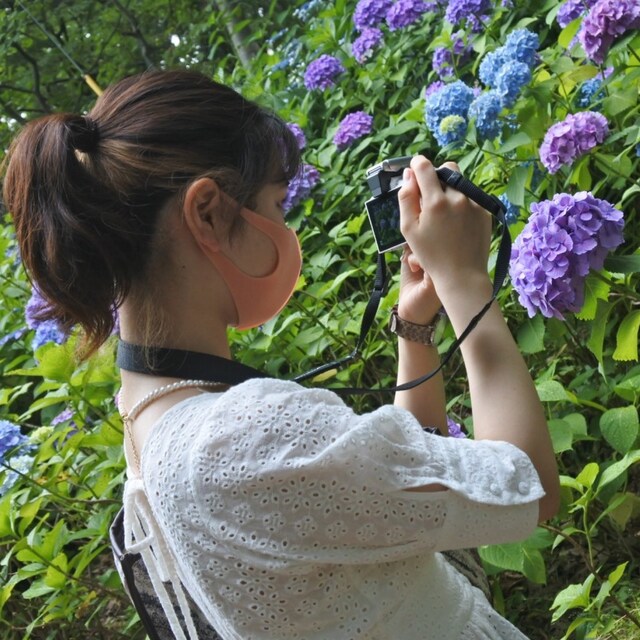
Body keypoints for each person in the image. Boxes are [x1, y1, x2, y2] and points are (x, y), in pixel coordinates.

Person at [2, 69, 560, 640]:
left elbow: (398, 492)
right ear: (207, 212)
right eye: (275, 203)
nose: (283, 225)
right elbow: (527, 484)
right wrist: (466, 281)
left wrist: (414, 329)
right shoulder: (244, 435)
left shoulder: (151, 415)